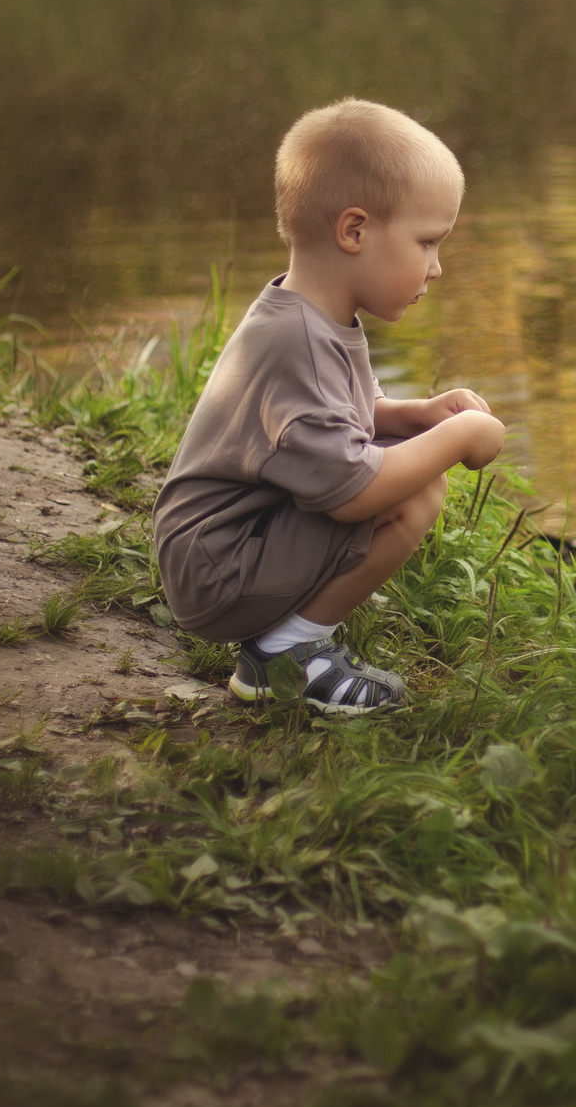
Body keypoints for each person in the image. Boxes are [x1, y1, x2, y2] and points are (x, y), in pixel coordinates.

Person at [152, 99, 506, 717]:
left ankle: (286, 642)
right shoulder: (299, 343)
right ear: (354, 231)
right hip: (218, 571)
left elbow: (349, 414)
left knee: (407, 464)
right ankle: (283, 657)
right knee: (414, 491)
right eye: (427, 243)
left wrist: (417, 415)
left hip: (228, 548)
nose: (437, 268)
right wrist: (462, 435)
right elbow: (353, 492)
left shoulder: (312, 311)